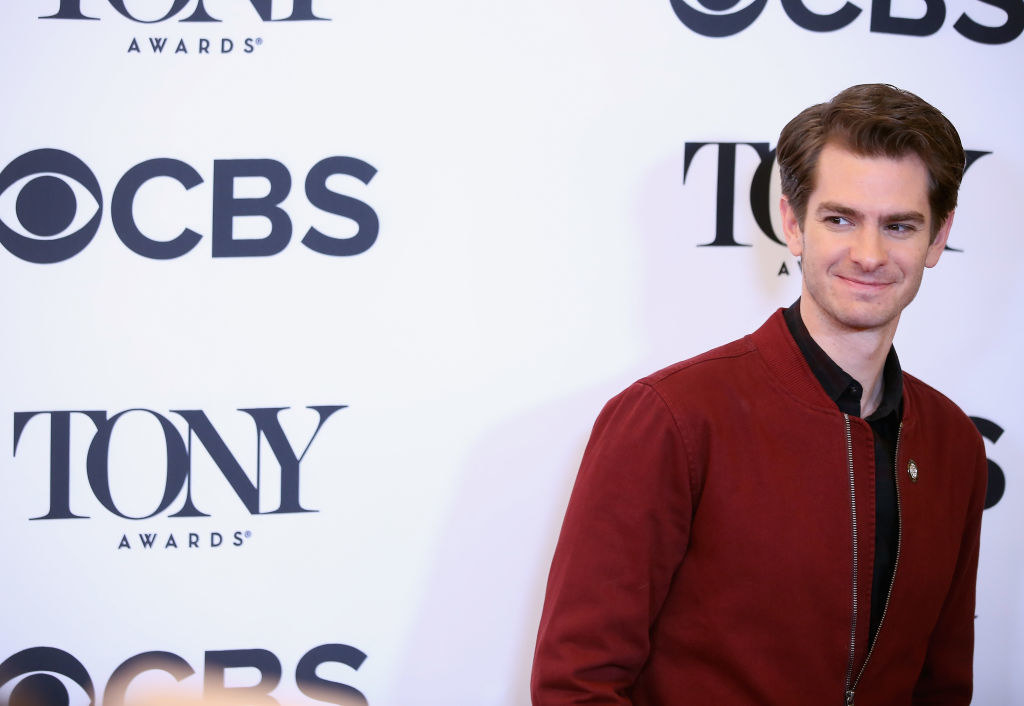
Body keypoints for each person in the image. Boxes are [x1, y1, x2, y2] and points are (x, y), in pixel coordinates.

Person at [531, 84, 987, 706]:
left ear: (937, 239)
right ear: (794, 225)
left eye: (900, 225)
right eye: (841, 219)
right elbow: (576, 685)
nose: (870, 253)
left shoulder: (953, 443)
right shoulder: (672, 419)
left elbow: (943, 685)